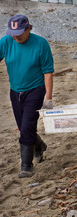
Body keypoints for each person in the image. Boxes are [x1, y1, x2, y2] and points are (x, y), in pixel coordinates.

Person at [0, 15, 54, 178]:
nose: (16, 35)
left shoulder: (41, 44)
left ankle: (26, 166)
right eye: (13, 32)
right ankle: (39, 146)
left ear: (28, 28)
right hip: (15, 90)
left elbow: (48, 73)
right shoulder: (6, 41)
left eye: (20, 32)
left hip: (35, 90)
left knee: (26, 127)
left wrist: (48, 98)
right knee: (25, 128)